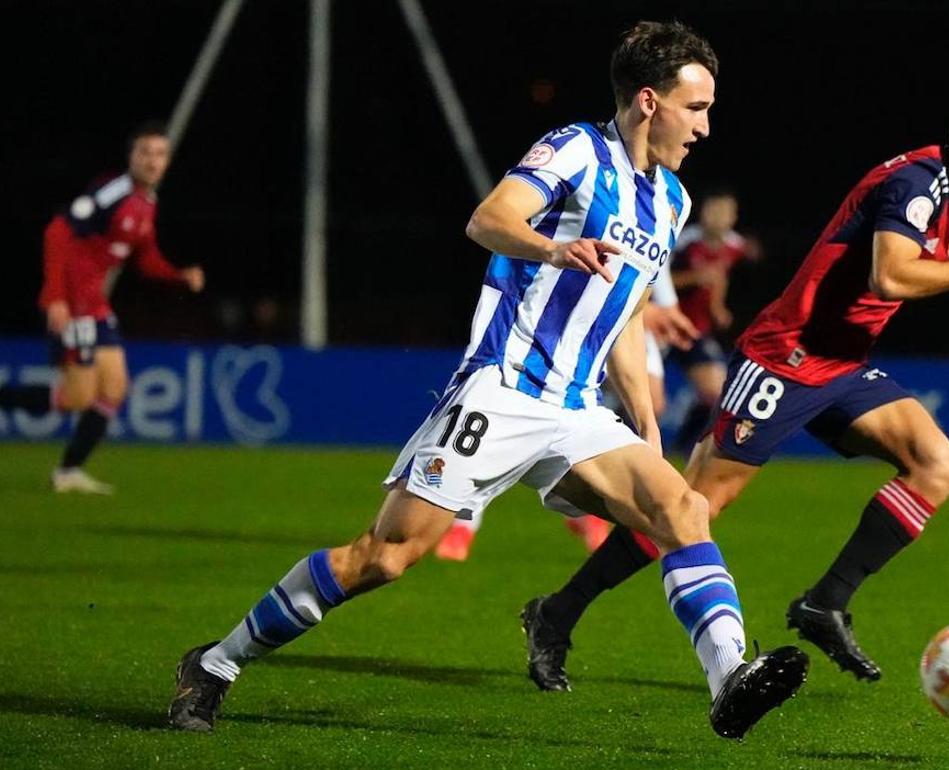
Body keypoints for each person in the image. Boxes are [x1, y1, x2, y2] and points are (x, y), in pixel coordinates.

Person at [167, 21, 806, 740]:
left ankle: (730, 681)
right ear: (651, 102)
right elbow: (489, 218)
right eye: (697, 108)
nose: (706, 127)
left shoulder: (672, 203)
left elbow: (623, 312)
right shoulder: (575, 151)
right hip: (502, 391)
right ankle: (216, 663)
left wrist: (646, 421)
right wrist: (552, 248)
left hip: (577, 410)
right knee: (385, 556)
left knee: (682, 511)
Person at [521, 83, 949, 689]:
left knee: (936, 465)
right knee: (690, 504)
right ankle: (556, 613)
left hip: (842, 364)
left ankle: (825, 603)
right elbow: (891, 275)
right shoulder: (920, 183)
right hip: (786, 359)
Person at [0, 122, 205, 492]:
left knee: (115, 389)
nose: (153, 161)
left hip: (96, 305)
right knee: (78, 397)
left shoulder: (146, 203)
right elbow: (57, 231)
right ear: (131, 158)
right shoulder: (114, 191)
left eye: (160, 154)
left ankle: (69, 471)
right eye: (145, 153)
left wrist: (178, 275)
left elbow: (145, 257)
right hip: (73, 303)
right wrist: (56, 297)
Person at [432, 259, 696, 560]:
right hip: (555, 322)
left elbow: (653, 260)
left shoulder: (669, 214)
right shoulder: (575, 219)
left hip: (615, 316)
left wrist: (664, 306)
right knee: (504, 432)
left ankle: (583, 507)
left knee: (648, 400)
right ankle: (464, 522)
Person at [667, 189, 760, 453]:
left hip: (694, 330)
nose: (720, 218)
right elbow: (654, 280)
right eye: (714, 211)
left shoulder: (734, 246)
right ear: (703, 213)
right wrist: (694, 278)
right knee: (645, 398)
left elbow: (720, 276)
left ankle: (680, 448)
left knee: (716, 391)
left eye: (726, 212)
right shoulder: (684, 242)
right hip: (660, 327)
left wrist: (718, 307)